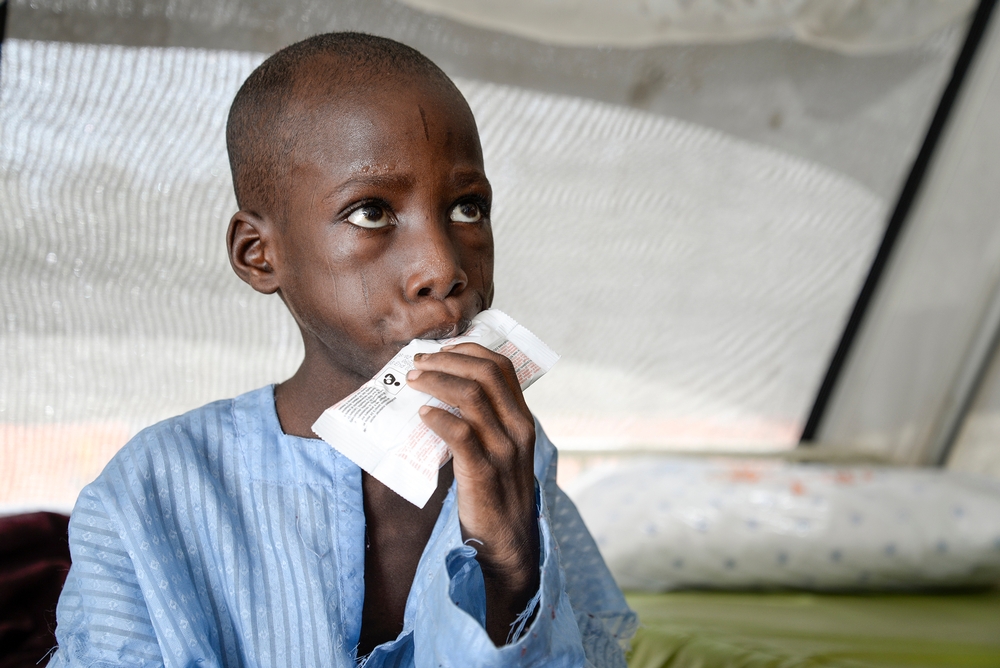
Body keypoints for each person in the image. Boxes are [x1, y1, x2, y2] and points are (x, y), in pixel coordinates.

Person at [48, 32, 636, 668]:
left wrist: (509, 561)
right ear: (259, 254)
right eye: (371, 213)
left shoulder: (511, 451)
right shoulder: (151, 490)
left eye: (468, 207)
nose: (442, 267)